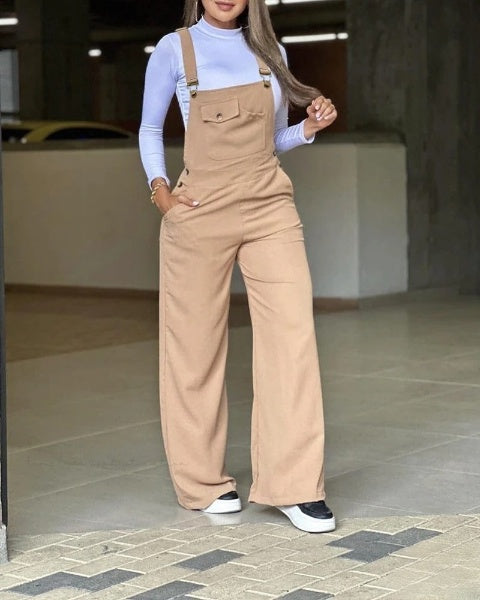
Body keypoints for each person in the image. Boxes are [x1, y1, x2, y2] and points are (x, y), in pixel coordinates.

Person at [139, 0, 338, 534]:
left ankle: (295, 485)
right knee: (194, 347)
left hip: (270, 205)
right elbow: (150, 128)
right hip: (199, 208)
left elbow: (271, 142)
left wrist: (308, 129)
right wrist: (161, 193)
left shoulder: (270, 52)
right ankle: (202, 481)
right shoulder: (175, 49)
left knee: (292, 337)